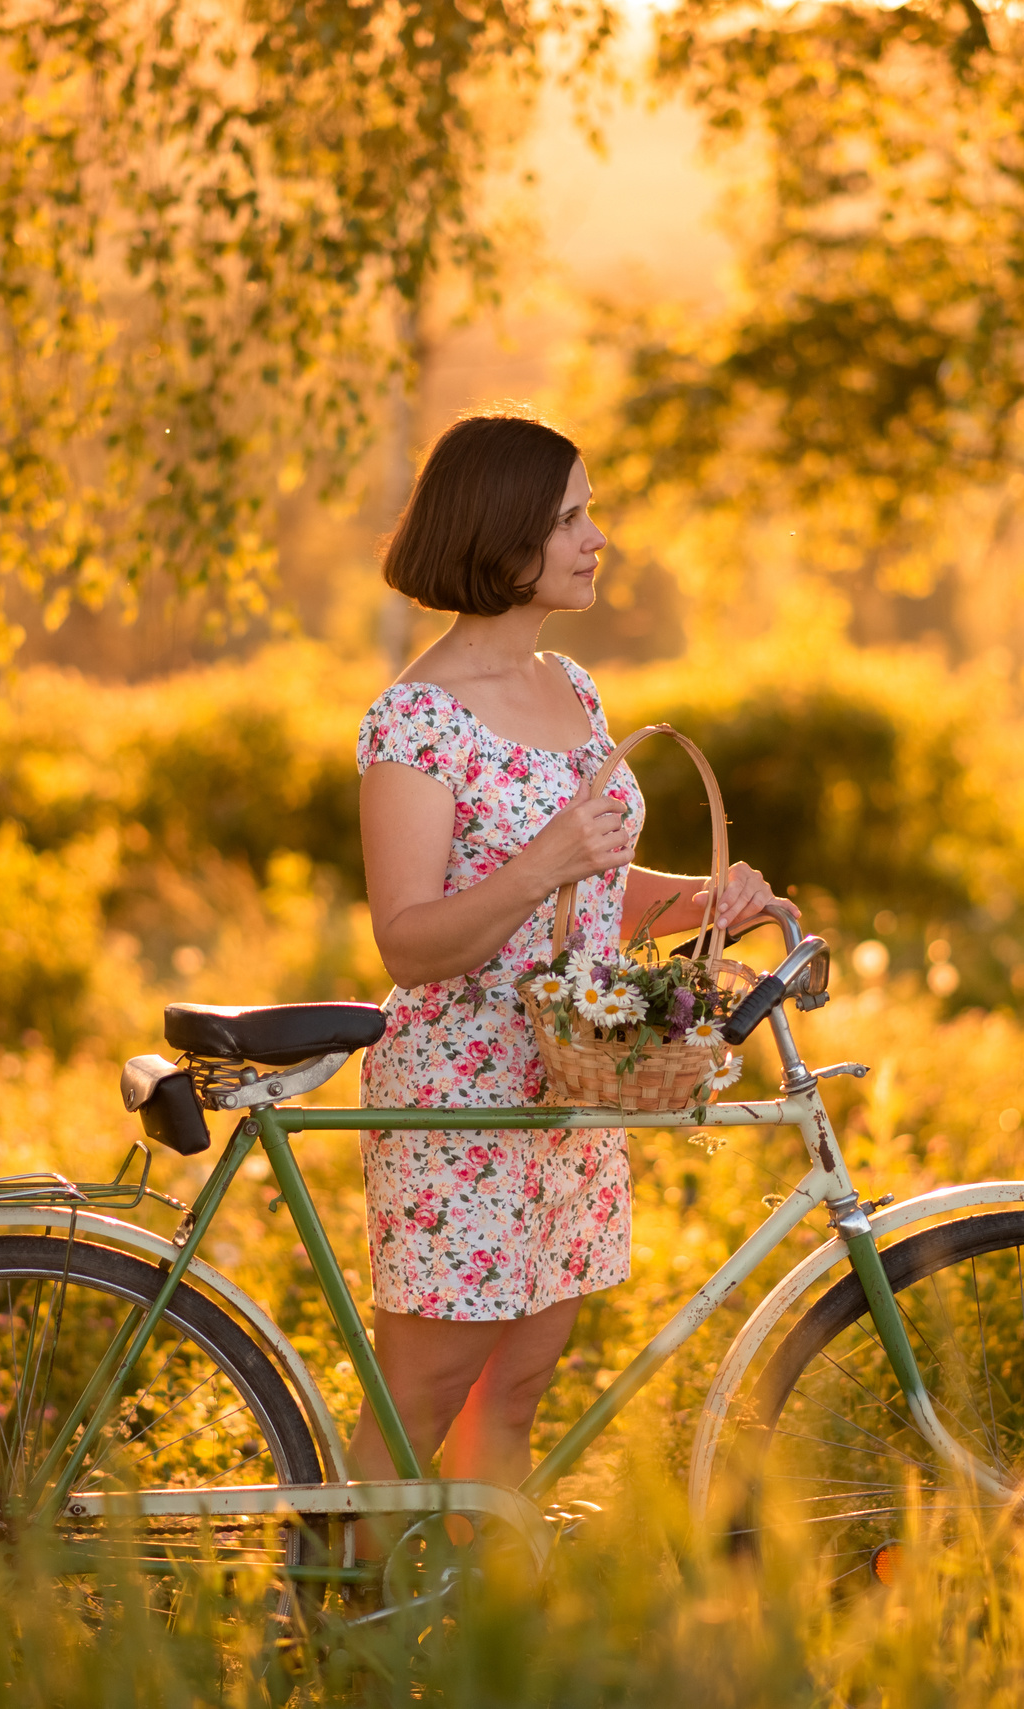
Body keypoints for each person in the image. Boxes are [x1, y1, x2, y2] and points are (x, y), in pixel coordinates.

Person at [350, 409, 789, 1500]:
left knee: (519, 1380)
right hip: (462, 1096)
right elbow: (407, 942)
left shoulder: (571, 689)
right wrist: (543, 862)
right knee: (428, 1388)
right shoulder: (416, 720)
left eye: (591, 511)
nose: (599, 538)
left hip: (568, 1081)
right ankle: (325, 1628)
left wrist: (701, 900)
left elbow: (596, 893)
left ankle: (475, 1632)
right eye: (572, 518)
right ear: (503, 541)